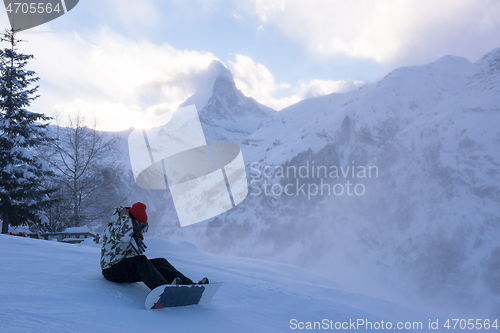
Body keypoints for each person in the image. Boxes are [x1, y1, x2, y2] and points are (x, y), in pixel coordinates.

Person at [100, 202, 209, 290]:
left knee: (161, 262)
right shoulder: (113, 227)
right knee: (141, 260)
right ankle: (161, 288)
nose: (141, 231)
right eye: (140, 227)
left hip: (123, 267)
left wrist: (135, 237)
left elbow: (130, 256)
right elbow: (124, 235)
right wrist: (125, 218)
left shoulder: (130, 232)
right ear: (132, 221)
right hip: (111, 271)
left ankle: (189, 285)